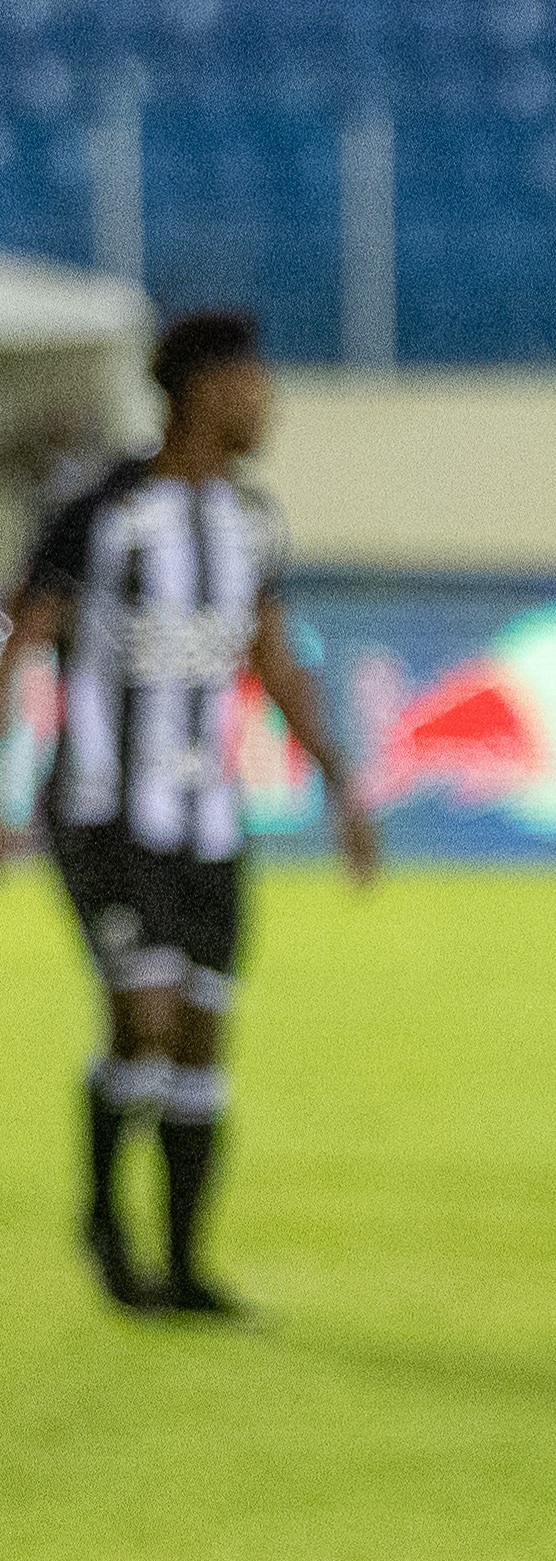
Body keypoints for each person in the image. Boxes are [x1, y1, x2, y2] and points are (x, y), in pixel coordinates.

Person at [0, 311, 377, 1318]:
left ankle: (183, 1266)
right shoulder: (100, 510)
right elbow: (25, 639)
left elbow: (272, 657)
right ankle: (104, 1220)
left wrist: (339, 782)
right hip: (102, 811)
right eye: (253, 383)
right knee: (146, 1013)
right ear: (201, 390)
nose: (267, 402)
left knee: (201, 1038)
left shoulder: (252, 521)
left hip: (207, 818)